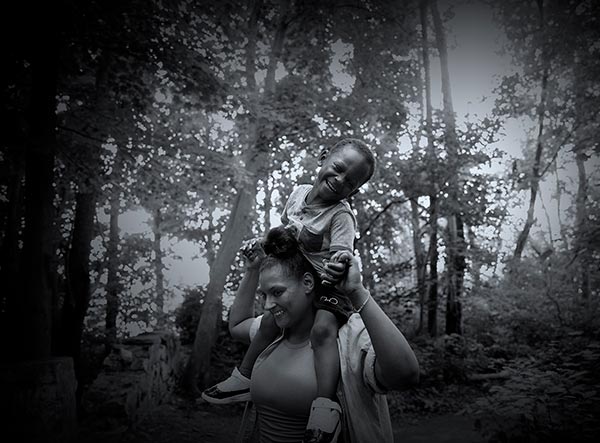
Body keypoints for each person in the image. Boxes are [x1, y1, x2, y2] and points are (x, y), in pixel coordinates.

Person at [202, 139, 376, 442]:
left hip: (327, 285)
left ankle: (325, 406)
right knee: (269, 320)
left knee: (322, 330)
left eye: (350, 181)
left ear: (354, 191)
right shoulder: (297, 194)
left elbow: (342, 255)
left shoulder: (341, 215)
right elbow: (286, 234)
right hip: (298, 277)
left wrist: (337, 265)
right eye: (337, 169)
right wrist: (261, 248)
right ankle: (244, 377)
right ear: (323, 158)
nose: (339, 180)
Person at [227, 226, 419, 443]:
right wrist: (252, 271)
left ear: (308, 283)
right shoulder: (272, 331)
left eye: (277, 292)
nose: (269, 304)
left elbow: (406, 375)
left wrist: (357, 292)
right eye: (265, 295)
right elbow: (237, 325)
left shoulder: (348, 337)